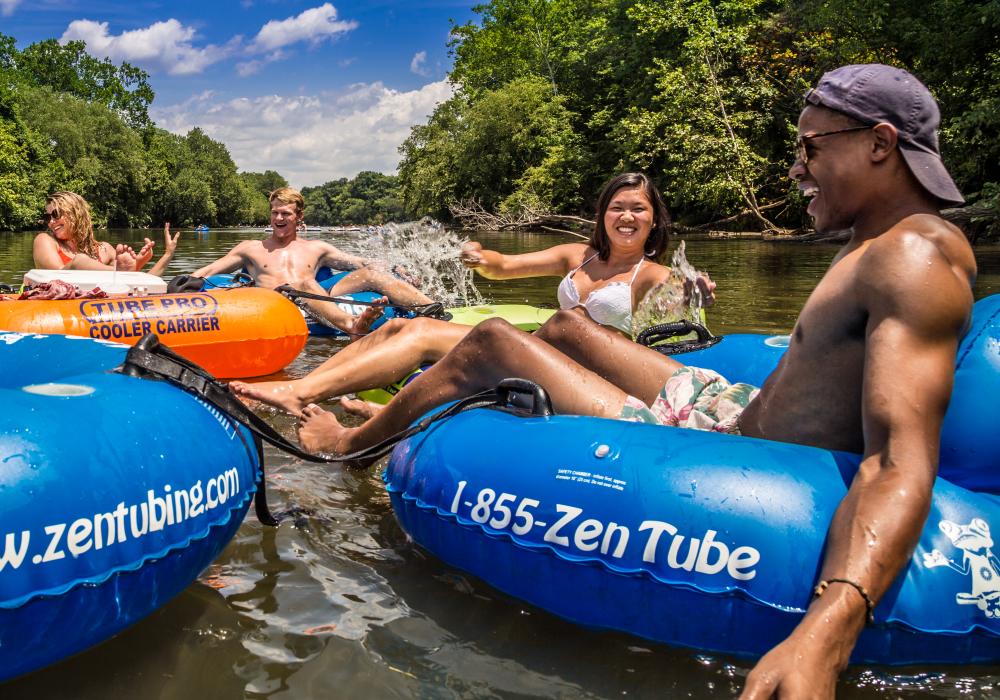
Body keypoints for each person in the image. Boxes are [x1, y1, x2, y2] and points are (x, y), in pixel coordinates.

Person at [294, 64, 976, 697]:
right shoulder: (888, 241)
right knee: (565, 330)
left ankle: (347, 446)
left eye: (811, 148)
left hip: (737, 446)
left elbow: (896, 460)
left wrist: (825, 638)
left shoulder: (913, 257)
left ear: (881, 144)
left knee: (491, 343)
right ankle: (437, 390)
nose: (798, 169)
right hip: (730, 403)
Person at [230, 172, 716, 416]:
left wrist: (693, 293)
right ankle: (300, 388)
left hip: (587, 373)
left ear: (654, 220)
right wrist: (477, 254)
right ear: (602, 215)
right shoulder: (577, 256)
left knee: (426, 338)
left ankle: (304, 392)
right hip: (548, 350)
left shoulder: (652, 274)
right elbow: (503, 268)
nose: (626, 217)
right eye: (616, 207)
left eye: (637, 210)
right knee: (404, 325)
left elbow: (678, 309)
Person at [191, 187, 434, 335]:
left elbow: (359, 263)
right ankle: (351, 325)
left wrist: (395, 269)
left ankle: (433, 311)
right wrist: (183, 284)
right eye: (274, 212)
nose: (279, 218)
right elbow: (211, 269)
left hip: (319, 295)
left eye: (285, 213)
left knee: (371, 273)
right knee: (302, 283)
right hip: (276, 302)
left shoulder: (317, 248)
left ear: (299, 217)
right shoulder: (251, 248)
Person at [32, 191, 178, 276]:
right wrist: (117, 271)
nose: (50, 222)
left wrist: (144, 261)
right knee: (80, 261)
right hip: (57, 305)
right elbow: (59, 274)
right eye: (47, 217)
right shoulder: (44, 240)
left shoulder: (105, 249)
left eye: (56, 214)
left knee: (122, 271)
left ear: (75, 213)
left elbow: (133, 284)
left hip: (99, 305)